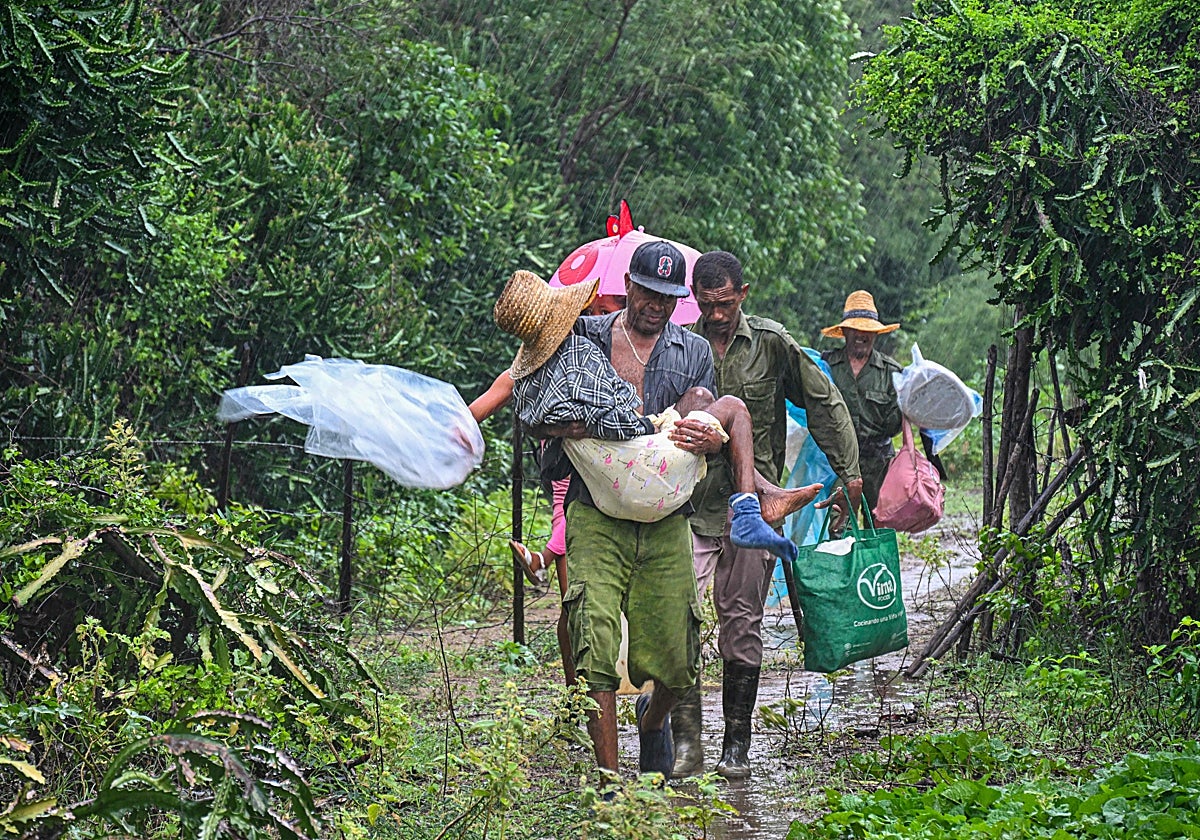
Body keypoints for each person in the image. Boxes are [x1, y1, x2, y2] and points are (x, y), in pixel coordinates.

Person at [679, 250, 864, 780]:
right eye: (705, 304)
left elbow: (823, 402)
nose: (715, 315)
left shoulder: (772, 344)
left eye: (724, 303)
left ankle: (735, 744)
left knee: (741, 625)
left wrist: (848, 473)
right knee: (678, 623)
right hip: (687, 507)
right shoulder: (680, 345)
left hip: (754, 511)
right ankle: (687, 744)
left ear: (743, 293)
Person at [819, 290, 903, 510]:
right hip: (837, 464)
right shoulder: (825, 367)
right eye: (855, 329)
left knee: (879, 526)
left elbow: (898, 424)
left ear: (875, 334)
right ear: (845, 331)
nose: (861, 335)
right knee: (839, 524)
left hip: (879, 463)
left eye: (867, 330)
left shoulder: (891, 372)